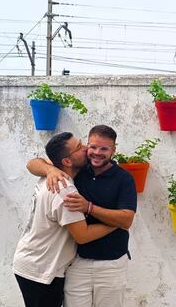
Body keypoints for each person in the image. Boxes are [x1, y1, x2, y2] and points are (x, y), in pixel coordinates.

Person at [26, 125, 137, 307]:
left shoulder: (124, 179)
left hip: (112, 264)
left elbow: (127, 219)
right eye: (92, 147)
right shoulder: (77, 169)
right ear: (87, 146)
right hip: (77, 263)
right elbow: (32, 163)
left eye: (104, 149)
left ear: (114, 150)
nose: (97, 153)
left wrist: (89, 208)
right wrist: (50, 170)